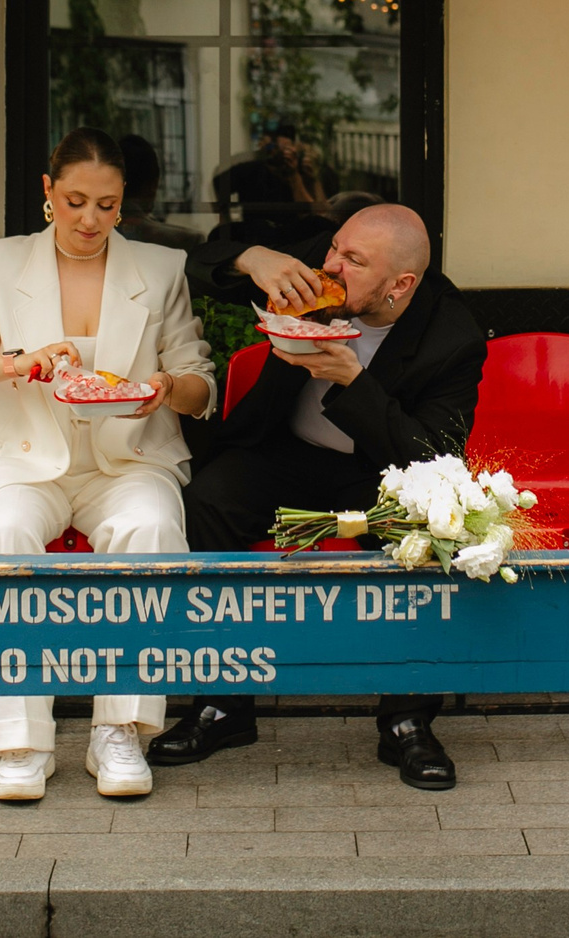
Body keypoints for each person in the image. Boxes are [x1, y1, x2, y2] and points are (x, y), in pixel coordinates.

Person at [0, 128, 217, 802]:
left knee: (151, 529)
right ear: (48, 192)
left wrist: (165, 390)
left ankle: (121, 732)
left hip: (127, 460)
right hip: (23, 463)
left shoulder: (160, 270)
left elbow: (199, 382)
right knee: (6, 536)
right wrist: (16, 362)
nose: (89, 220)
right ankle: (22, 742)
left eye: (106, 206)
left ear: (124, 206)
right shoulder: (1, 265)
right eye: (76, 200)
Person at [148, 202, 485, 790]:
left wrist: (352, 381)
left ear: (400, 284)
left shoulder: (452, 336)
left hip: (380, 468)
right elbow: (199, 266)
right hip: (285, 450)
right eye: (335, 248)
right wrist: (254, 258)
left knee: (426, 531)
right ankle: (224, 704)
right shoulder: (316, 269)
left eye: (353, 260)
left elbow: (431, 453)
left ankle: (406, 718)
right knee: (207, 500)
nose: (331, 264)